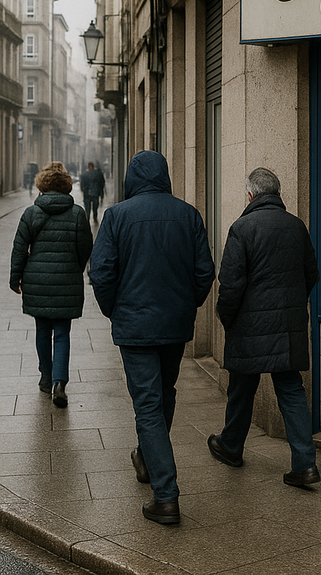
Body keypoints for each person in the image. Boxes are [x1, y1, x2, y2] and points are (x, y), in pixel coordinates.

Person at [89, 151, 214, 525]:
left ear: (131, 178)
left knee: (147, 404)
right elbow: (204, 272)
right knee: (164, 394)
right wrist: (186, 305)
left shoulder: (116, 216)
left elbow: (102, 272)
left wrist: (116, 310)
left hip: (136, 327)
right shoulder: (188, 214)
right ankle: (147, 458)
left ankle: (166, 494)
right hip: (174, 325)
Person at [207, 167, 320, 487]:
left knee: (242, 388)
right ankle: (305, 464)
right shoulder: (296, 226)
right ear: (278, 194)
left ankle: (230, 446)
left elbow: (230, 285)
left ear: (250, 195)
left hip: (249, 326)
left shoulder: (241, 228)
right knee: (291, 389)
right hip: (287, 327)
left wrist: (226, 318)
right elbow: (311, 274)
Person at [9, 161, 93, 408]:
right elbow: (86, 248)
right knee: (63, 333)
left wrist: (16, 279)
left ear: (42, 186)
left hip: (37, 281)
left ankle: (45, 377)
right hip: (66, 279)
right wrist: (73, 270)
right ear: (65, 185)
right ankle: (60, 383)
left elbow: (19, 250)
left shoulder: (30, 213)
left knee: (42, 330)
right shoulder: (77, 213)